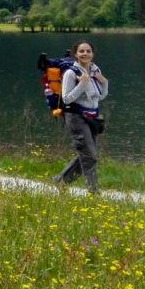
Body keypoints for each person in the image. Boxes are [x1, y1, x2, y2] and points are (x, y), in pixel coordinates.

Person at [53, 40, 109, 193]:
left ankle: (61, 181)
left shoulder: (95, 70)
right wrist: (82, 85)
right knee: (90, 156)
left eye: (88, 51)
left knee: (86, 154)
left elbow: (100, 96)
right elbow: (66, 99)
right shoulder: (70, 73)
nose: (85, 54)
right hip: (76, 117)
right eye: (81, 51)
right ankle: (93, 191)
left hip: (92, 117)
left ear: (93, 54)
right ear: (76, 55)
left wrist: (104, 82)